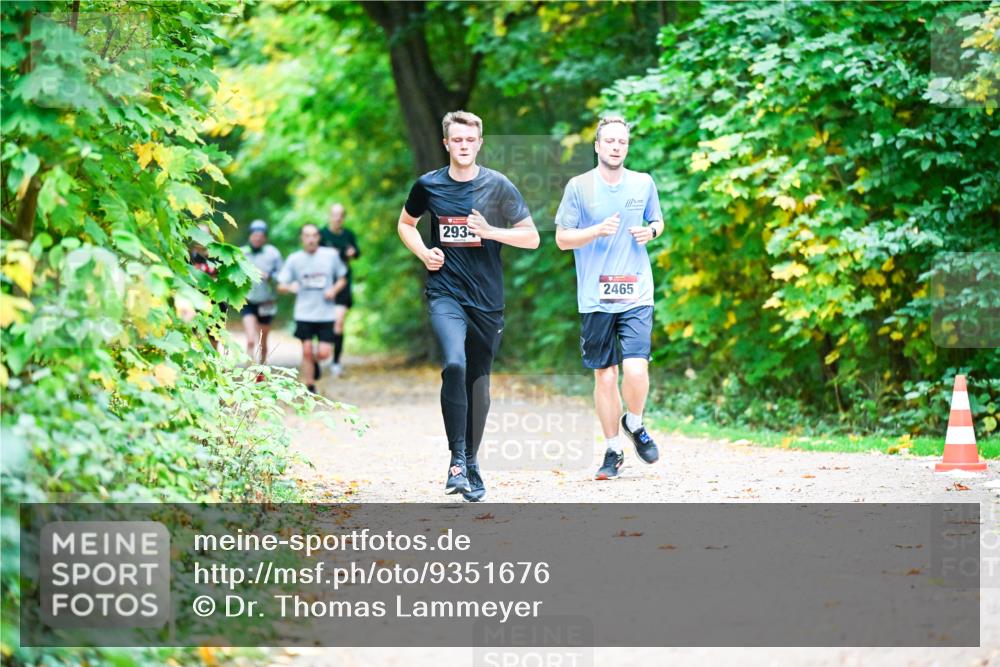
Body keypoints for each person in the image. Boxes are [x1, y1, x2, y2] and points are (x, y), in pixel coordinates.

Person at [397, 110, 539, 500]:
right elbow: (405, 225)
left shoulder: (499, 186)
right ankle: (456, 459)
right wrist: (425, 253)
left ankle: (472, 462)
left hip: (487, 300)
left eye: (469, 139)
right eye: (456, 140)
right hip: (446, 292)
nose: (463, 145)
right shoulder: (428, 185)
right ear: (446, 143)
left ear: (479, 142)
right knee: (454, 364)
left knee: (479, 381)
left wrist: (491, 231)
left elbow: (532, 238)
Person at [554, 115, 663, 480]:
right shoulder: (579, 187)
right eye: (610, 141)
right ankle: (613, 449)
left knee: (635, 368)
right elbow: (562, 239)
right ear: (598, 146)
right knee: (604, 376)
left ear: (626, 147)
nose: (616, 147)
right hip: (595, 296)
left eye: (622, 142)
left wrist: (651, 231)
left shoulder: (643, 182)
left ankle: (634, 421)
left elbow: (657, 221)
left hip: (636, 291)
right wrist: (595, 231)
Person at [276, 224, 348, 393]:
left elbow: (342, 278)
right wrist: (289, 287)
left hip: (325, 313)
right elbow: (281, 285)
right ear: (302, 238)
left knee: (324, 353)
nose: (311, 239)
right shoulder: (294, 259)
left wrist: (334, 290)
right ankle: (310, 386)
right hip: (304, 312)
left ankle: (316, 363)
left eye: (314, 235)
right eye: (307, 236)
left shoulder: (330, 256)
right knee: (306, 349)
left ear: (318, 237)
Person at [319, 203, 360, 377]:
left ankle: (336, 362)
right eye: (335, 215)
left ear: (343, 217)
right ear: (330, 216)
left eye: (341, 215)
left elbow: (356, 253)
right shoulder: (321, 235)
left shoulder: (348, 235)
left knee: (339, 322)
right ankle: (320, 357)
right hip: (323, 284)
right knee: (321, 323)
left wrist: (351, 252)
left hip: (343, 283)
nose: (337, 218)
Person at [240, 220, 283, 367]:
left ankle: (262, 369)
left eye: (261, 235)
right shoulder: (242, 253)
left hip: (266, 301)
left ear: (265, 238)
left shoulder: (273, 253)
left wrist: (270, 276)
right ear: (250, 236)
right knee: (251, 339)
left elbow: (282, 275)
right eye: (255, 235)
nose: (257, 238)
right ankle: (248, 371)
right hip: (248, 300)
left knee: (262, 341)